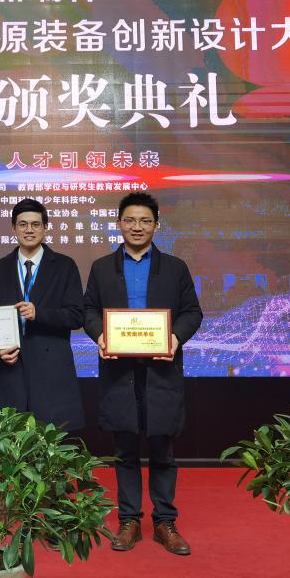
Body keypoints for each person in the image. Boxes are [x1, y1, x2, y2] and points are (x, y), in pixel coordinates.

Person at [83, 192, 202, 556]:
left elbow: (192, 312)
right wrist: (99, 335)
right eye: (130, 220)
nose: (137, 227)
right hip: (119, 371)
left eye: (145, 221)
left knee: (163, 448)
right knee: (124, 449)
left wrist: (174, 337)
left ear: (156, 225)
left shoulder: (175, 268)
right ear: (119, 223)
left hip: (161, 371)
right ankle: (129, 521)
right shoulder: (102, 267)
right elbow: (89, 311)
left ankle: (165, 522)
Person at [0, 198, 85, 431]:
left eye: (35, 224)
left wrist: (39, 314)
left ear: (45, 228)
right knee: (9, 439)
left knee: (51, 440)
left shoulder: (65, 266)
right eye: (22, 224)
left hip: (51, 368)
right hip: (12, 368)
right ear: (13, 228)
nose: (29, 230)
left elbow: (76, 316)